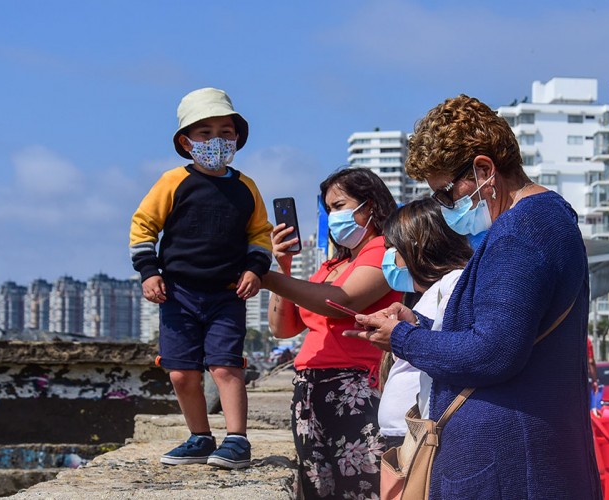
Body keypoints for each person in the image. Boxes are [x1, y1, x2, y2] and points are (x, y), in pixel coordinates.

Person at [345, 95, 601, 499]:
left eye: (446, 193)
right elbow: (504, 332)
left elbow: (493, 352)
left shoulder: (521, 231)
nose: (446, 207)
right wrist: (419, 327)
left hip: (510, 468)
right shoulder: (542, 220)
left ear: (484, 169)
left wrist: (402, 339)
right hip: (519, 457)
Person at [129, 88, 273, 468]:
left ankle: (237, 439)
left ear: (237, 138)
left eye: (226, 132)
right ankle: (199, 437)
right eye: (205, 133)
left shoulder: (246, 188)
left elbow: (260, 234)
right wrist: (149, 272)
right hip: (178, 294)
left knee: (226, 366)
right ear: (186, 141)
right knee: (180, 373)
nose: (216, 141)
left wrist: (254, 269)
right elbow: (144, 226)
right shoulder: (173, 182)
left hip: (227, 294)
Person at [263, 167, 400, 499]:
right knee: (317, 488)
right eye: (329, 209)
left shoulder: (384, 251)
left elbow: (343, 301)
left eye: (340, 205)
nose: (333, 216)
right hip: (310, 389)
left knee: (362, 486)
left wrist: (263, 276)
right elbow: (282, 328)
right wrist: (281, 265)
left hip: (354, 387)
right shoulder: (329, 267)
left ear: (369, 205)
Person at [376, 198, 472, 449]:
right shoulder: (426, 296)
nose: (387, 258)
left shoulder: (453, 284)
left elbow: (454, 348)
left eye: (391, 248)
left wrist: (402, 335)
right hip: (408, 434)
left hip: (422, 436)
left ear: (416, 247)